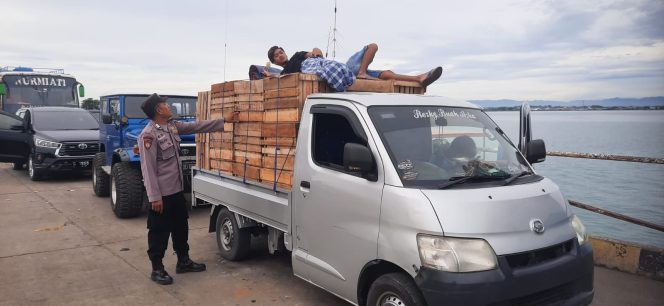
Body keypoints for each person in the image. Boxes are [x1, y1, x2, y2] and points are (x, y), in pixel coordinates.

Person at [138, 93, 238, 285]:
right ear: (159, 110)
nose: (169, 107)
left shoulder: (172, 126)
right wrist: (154, 197)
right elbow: (148, 169)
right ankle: (157, 269)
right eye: (166, 105)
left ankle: (183, 261)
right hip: (162, 195)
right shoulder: (148, 135)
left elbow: (197, 126)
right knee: (159, 231)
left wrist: (224, 121)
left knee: (180, 227)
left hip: (175, 190)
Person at [266, 43, 443, 89]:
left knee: (372, 47)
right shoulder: (286, 73)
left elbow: (315, 50)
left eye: (281, 51)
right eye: (276, 55)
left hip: (341, 67)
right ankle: (418, 78)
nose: (280, 54)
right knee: (385, 74)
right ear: (275, 62)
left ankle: (363, 72)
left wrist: (316, 55)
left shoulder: (297, 55)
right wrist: (269, 76)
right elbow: (278, 79)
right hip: (347, 71)